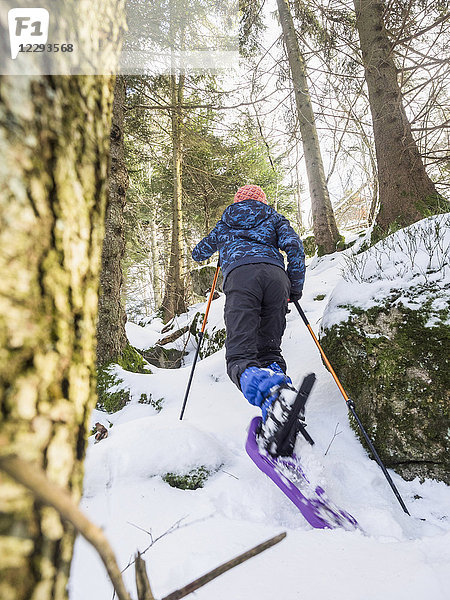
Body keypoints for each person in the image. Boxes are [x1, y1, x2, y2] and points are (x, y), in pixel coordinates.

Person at [192, 185, 305, 446]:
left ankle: (272, 393)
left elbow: (198, 253)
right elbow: (295, 248)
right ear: (262, 201)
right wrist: (295, 287)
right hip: (276, 279)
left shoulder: (226, 222)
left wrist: (223, 245)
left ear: (237, 202)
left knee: (240, 357)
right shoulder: (274, 217)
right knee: (269, 351)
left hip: (242, 278)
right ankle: (280, 407)